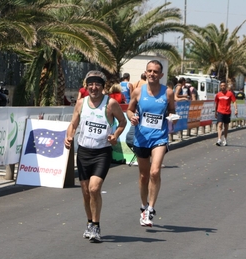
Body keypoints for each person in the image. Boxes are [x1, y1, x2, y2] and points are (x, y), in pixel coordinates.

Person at [64, 70, 126, 243]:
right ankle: (90, 222)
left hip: (102, 153)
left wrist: (115, 135)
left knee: (94, 188)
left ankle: (96, 226)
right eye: (91, 84)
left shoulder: (111, 104)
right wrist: (69, 136)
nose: (94, 87)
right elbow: (73, 124)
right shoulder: (81, 103)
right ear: (86, 86)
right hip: (84, 152)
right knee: (85, 192)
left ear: (103, 86)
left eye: (97, 84)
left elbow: (123, 122)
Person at [127, 60, 177, 227]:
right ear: (146, 72)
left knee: (155, 172)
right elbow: (129, 109)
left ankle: (151, 208)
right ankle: (143, 205)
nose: (152, 74)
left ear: (161, 75)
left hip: (159, 138)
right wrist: (131, 117)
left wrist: (172, 118)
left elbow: (172, 110)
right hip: (141, 137)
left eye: (156, 71)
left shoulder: (168, 93)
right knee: (143, 175)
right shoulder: (138, 92)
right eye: (149, 71)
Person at [214, 81, 238, 146]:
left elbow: (234, 101)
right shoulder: (218, 94)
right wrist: (215, 112)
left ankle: (225, 139)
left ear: (226, 86)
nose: (223, 87)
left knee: (226, 126)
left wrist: (236, 109)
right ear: (220, 86)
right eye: (221, 85)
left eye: (224, 85)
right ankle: (219, 139)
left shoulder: (230, 93)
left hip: (227, 112)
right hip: (220, 111)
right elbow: (216, 103)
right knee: (220, 124)